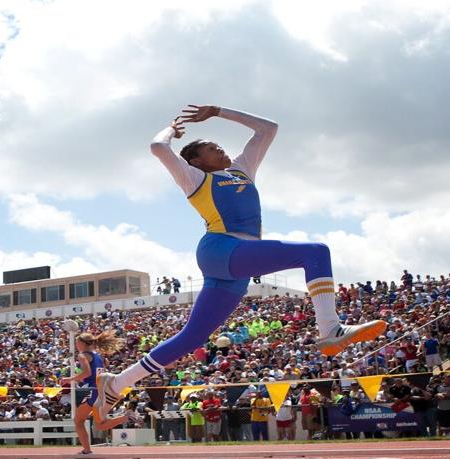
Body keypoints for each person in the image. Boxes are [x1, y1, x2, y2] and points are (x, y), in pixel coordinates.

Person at [93, 104, 386, 424]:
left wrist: (218, 111)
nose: (221, 150)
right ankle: (330, 328)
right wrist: (172, 132)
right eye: (212, 148)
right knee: (315, 252)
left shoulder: (243, 169)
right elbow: (157, 147)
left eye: (220, 146)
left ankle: (117, 383)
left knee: (191, 338)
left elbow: (268, 128)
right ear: (196, 161)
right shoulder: (194, 178)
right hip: (221, 248)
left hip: (235, 265)